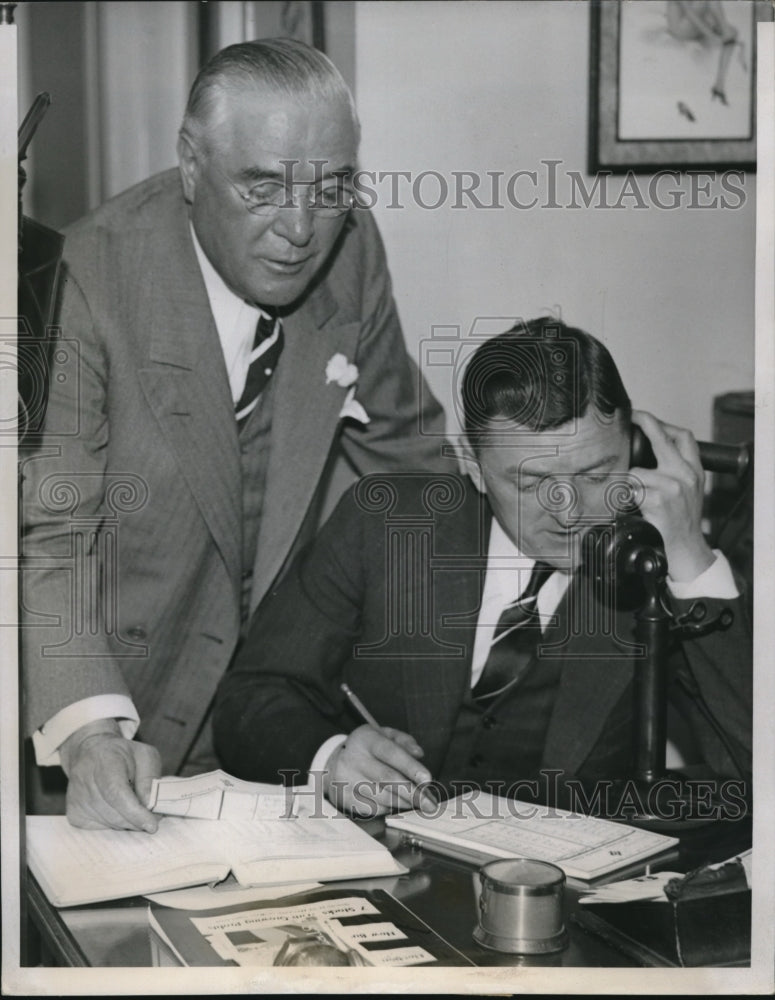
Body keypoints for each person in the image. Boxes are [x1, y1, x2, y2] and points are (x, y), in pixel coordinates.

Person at [20, 38, 450, 832]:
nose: (299, 228)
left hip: (269, 727)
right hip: (111, 722)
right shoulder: (82, 277)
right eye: (262, 186)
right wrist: (87, 734)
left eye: (330, 189)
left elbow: (412, 460)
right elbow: (49, 541)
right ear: (191, 166)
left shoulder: (350, 253)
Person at [213, 319, 752, 817]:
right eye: (531, 483)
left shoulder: (658, 565)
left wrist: (692, 560)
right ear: (471, 466)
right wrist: (329, 759)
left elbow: (755, 770)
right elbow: (251, 697)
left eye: (596, 473)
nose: (568, 510)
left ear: (634, 449)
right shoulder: (382, 525)